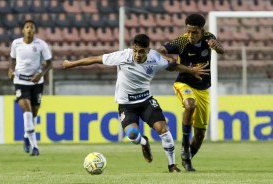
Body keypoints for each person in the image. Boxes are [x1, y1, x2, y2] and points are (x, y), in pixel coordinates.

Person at [62, 34, 209, 172]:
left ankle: (172, 165)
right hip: (126, 104)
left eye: (142, 52)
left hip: (146, 101)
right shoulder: (123, 56)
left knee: (163, 130)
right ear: (133, 48)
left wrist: (191, 71)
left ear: (148, 50)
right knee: (132, 135)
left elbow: (172, 66)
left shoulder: (155, 58)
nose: (138, 55)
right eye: (136, 51)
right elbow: (95, 59)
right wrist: (71, 64)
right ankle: (143, 143)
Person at [157, 13, 224, 171]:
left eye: (195, 32)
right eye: (189, 31)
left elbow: (221, 50)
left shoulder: (209, 38)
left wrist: (216, 46)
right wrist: (172, 62)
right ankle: (185, 145)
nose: (191, 35)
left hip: (203, 89)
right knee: (190, 105)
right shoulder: (181, 41)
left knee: (200, 135)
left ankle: (187, 159)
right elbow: (159, 51)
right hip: (183, 83)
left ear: (202, 31)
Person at [8, 20, 52, 156]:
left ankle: (27, 136)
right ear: (23, 30)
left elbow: (50, 64)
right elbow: (12, 59)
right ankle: (35, 147)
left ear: (34, 31)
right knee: (26, 111)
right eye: (27, 27)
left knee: (33, 114)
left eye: (31, 27)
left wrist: (40, 75)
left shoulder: (41, 45)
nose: (29, 30)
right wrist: (10, 69)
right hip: (20, 81)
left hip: (36, 83)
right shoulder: (16, 44)